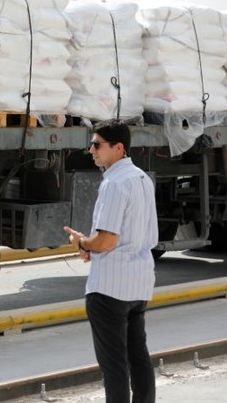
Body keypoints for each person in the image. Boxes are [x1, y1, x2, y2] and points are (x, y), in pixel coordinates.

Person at [63, 120, 157, 403]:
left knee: (114, 366)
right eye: (91, 144)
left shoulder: (115, 183)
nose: (91, 150)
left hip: (110, 288)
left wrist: (81, 242)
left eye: (97, 145)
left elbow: (106, 241)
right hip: (138, 284)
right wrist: (93, 246)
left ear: (118, 148)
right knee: (138, 357)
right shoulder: (141, 178)